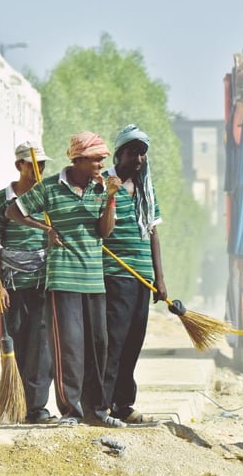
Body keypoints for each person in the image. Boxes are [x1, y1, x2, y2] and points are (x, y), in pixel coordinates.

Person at [5, 131, 123, 428]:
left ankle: (97, 411)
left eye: (103, 160)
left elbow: (104, 232)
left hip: (93, 280)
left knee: (98, 347)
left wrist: (110, 199)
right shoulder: (50, 189)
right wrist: (45, 229)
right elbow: (13, 210)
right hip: (62, 280)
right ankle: (71, 411)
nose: (101, 164)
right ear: (79, 160)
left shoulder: (101, 189)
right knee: (68, 349)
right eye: (97, 159)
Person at [0, 141, 56, 424]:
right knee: (13, 344)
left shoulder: (47, 197)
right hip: (11, 285)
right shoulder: (2, 199)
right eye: (34, 165)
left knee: (41, 346)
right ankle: (15, 404)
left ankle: (37, 409)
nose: (39, 170)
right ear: (19, 166)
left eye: (43, 165)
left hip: (42, 283)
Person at [102, 124, 167, 424]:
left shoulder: (146, 188)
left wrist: (160, 279)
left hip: (142, 276)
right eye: (133, 152)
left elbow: (153, 232)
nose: (139, 159)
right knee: (112, 342)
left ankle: (124, 404)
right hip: (115, 274)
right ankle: (102, 403)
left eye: (142, 153)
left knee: (133, 342)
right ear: (119, 154)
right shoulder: (103, 183)